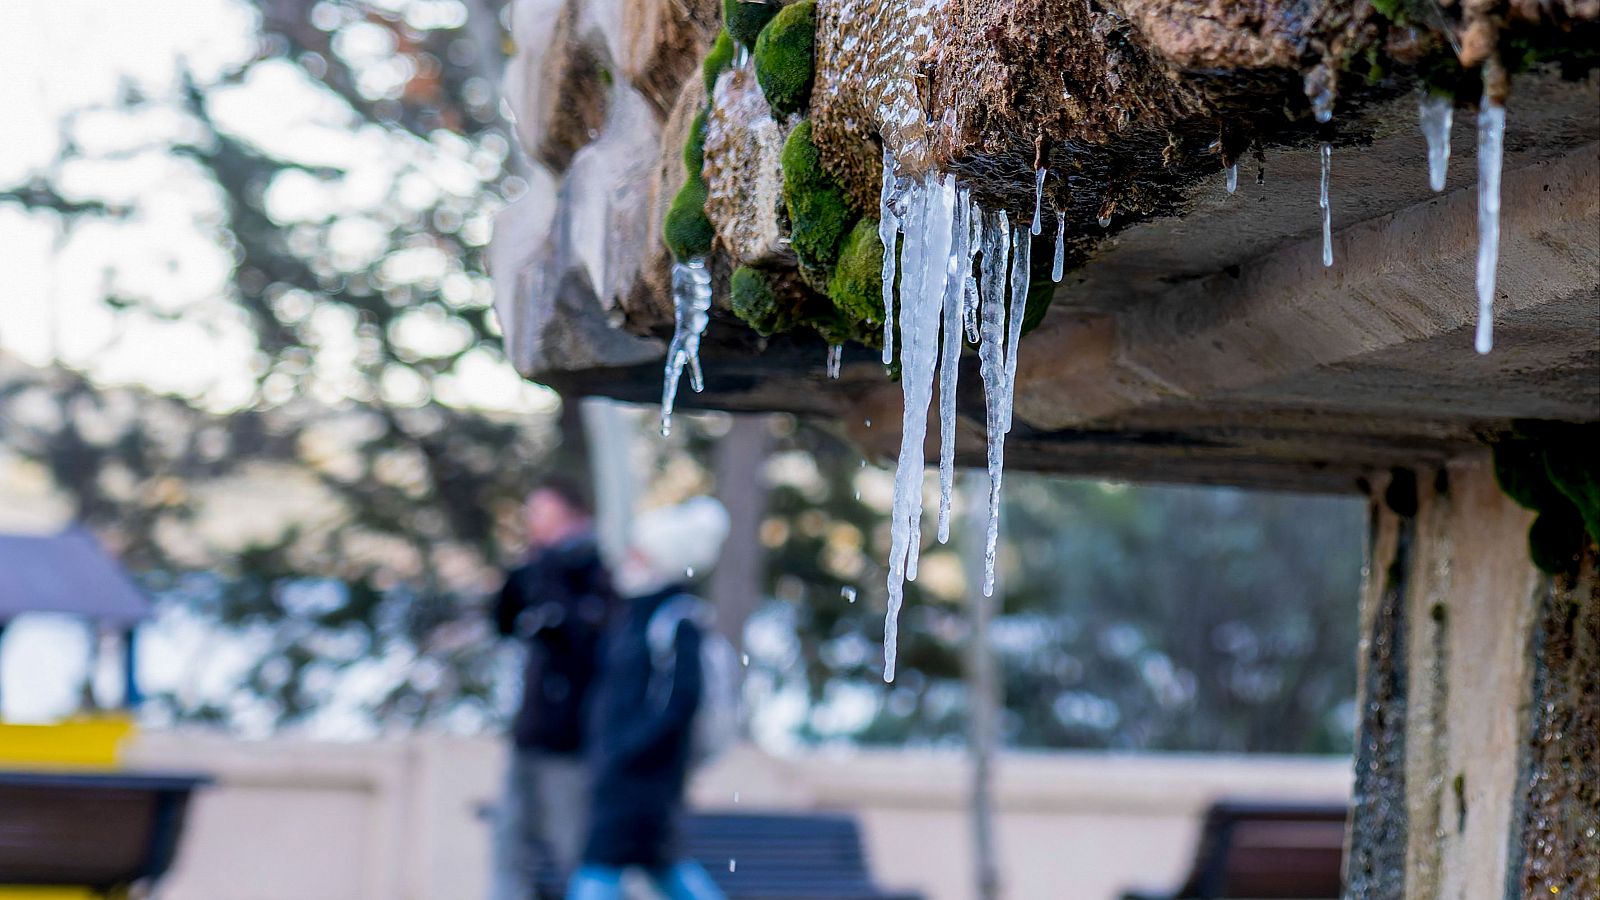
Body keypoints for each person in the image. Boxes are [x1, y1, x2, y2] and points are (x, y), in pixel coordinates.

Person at [567, 497, 731, 900]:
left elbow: (681, 700)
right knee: (662, 868)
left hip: (644, 778)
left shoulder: (677, 619)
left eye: (638, 553)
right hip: (622, 774)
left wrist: (630, 749)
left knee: (602, 868)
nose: (629, 561)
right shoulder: (633, 617)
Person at [491, 478, 612, 900]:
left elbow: (586, 643)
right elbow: (504, 622)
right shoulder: (535, 570)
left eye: (542, 513)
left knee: (571, 846)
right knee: (510, 842)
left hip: (571, 741)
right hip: (530, 732)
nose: (533, 523)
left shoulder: (594, 568)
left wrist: (555, 584)